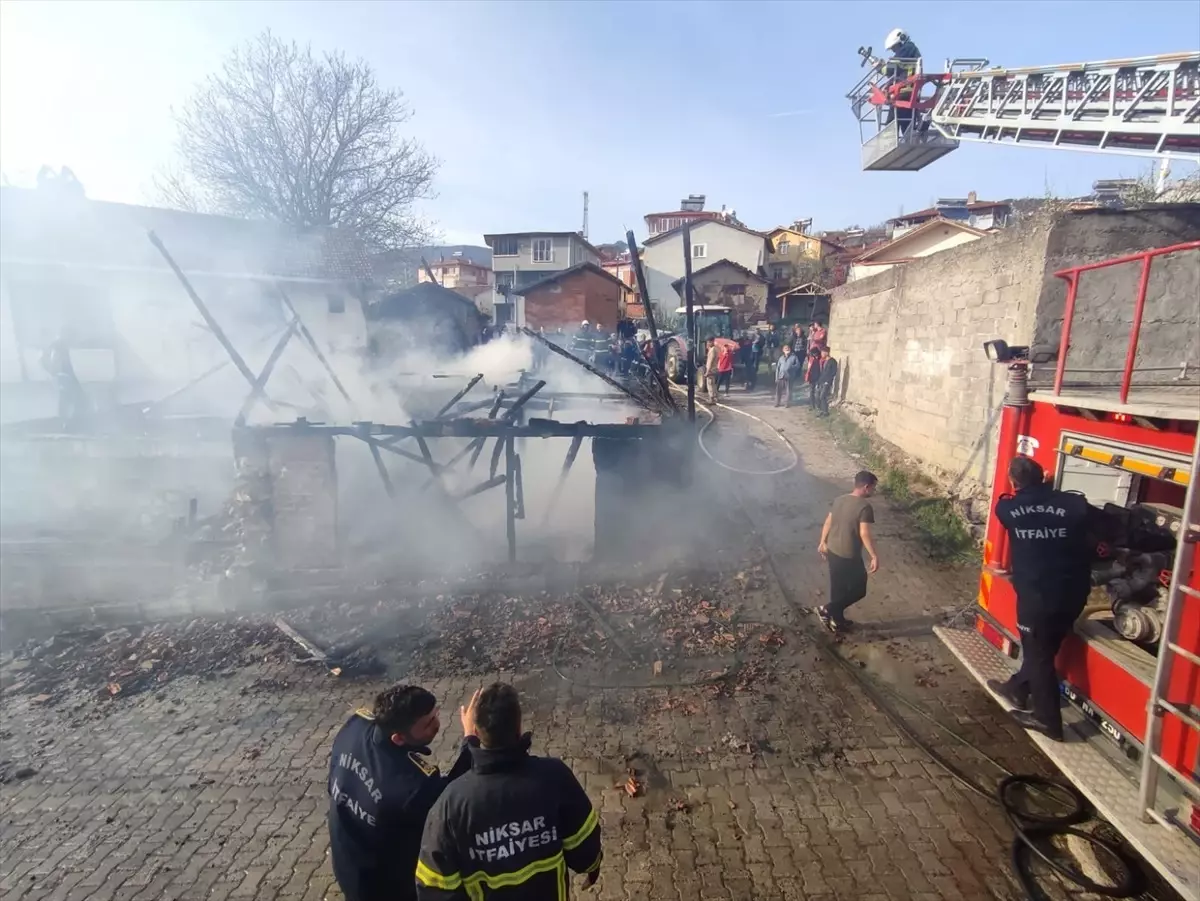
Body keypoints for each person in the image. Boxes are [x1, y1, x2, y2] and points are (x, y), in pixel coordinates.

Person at [416, 683, 602, 900]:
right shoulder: (554, 777)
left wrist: (469, 740)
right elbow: (583, 844)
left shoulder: (452, 803)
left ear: (475, 730)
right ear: (519, 726)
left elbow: (435, 887)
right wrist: (591, 865)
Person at [329, 685, 480, 901]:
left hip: (347, 858)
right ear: (398, 739)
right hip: (381, 886)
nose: (437, 724)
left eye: (435, 714)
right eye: (428, 724)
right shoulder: (410, 788)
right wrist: (470, 739)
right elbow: (451, 795)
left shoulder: (356, 725)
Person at [987, 456, 1091, 742]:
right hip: (1073, 595)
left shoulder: (1007, 508)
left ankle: (1047, 721)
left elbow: (1007, 502)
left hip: (1038, 599)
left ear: (1013, 481)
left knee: (1039, 656)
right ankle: (1018, 688)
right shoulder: (1074, 504)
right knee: (1044, 649)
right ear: (1044, 477)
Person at [817, 471, 880, 633]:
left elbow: (828, 522)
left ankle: (837, 621)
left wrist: (822, 541)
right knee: (859, 589)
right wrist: (874, 555)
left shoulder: (839, 500)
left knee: (838, 588)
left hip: (833, 550)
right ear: (866, 487)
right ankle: (826, 609)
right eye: (873, 488)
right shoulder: (865, 507)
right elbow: (864, 533)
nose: (874, 491)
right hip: (849, 554)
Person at [882, 29, 922, 132]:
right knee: (907, 126)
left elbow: (891, 68)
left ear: (902, 40)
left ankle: (887, 142)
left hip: (904, 91)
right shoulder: (910, 50)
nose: (894, 51)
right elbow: (898, 68)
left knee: (892, 123)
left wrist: (881, 68)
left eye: (894, 47)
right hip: (908, 90)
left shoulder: (908, 48)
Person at [814, 346, 838, 417]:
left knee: (822, 396)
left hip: (827, 382)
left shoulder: (832, 361)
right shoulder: (824, 361)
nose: (821, 354)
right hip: (821, 381)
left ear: (826, 353)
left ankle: (825, 412)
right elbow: (822, 372)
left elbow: (833, 372)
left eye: (822, 352)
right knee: (818, 396)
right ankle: (821, 410)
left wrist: (828, 381)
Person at [703, 337, 720, 404]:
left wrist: (707, 371)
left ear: (711, 342)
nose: (707, 344)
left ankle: (712, 399)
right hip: (714, 368)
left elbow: (710, 361)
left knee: (710, 384)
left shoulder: (712, 350)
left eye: (708, 342)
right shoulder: (715, 349)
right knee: (713, 384)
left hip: (711, 369)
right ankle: (716, 398)